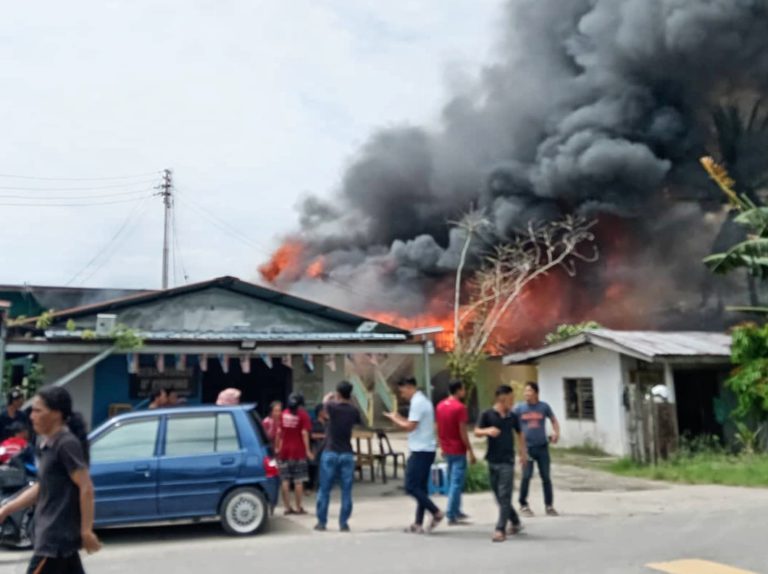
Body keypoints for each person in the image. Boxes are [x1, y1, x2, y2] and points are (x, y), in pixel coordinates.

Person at [0, 386, 101, 573]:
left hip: (54, 542)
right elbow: (41, 488)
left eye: (38, 410)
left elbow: (86, 487)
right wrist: (6, 509)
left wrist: (86, 530)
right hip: (58, 544)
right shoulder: (49, 444)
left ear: (56, 413)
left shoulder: (65, 444)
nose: (31, 416)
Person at [384, 377, 444, 534]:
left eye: (402, 391)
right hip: (425, 449)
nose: (401, 395)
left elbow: (410, 427)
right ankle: (418, 523)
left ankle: (436, 511)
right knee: (421, 488)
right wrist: (397, 417)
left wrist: (395, 420)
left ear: (409, 387)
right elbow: (413, 423)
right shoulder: (422, 401)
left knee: (411, 486)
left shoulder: (418, 402)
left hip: (420, 450)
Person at [475, 384, 527, 542]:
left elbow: (520, 433)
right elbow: (477, 431)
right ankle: (516, 521)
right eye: (510, 399)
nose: (512, 402)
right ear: (501, 398)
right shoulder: (487, 414)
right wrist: (487, 431)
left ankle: (500, 529)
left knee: (505, 495)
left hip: (507, 461)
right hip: (492, 459)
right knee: (498, 496)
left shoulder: (513, 416)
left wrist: (522, 453)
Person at [314, 382, 363, 532]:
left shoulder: (332, 407)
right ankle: (343, 523)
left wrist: (328, 397)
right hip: (347, 453)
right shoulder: (353, 411)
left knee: (324, 489)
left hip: (331, 452)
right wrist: (351, 401)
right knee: (346, 491)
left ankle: (322, 522)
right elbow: (359, 421)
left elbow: (323, 405)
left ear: (338, 393)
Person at [515, 381, 561, 517]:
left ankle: (549, 505)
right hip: (527, 448)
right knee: (526, 476)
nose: (526, 394)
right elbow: (510, 422)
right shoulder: (519, 408)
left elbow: (554, 420)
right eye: (525, 391)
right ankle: (523, 505)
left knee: (546, 477)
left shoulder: (544, 407)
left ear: (536, 393)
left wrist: (556, 433)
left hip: (542, 447)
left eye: (529, 391)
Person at [435, 380, 476, 525]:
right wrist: (470, 450)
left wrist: (440, 445)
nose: (464, 392)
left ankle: (457, 510)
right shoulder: (460, 408)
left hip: (446, 448)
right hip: (458, 448)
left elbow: (438, 427)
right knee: (456, 483)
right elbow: (463, 432)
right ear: (458, 391)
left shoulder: (440, 406)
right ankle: (451, 514)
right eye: (463, 389)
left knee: (453, 480)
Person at [276, 392, 313, 515]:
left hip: (284, 452)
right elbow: (304, 433)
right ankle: (298, 507)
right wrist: (308, 451)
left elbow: (279, 433)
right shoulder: (303, 415)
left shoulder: (283, 414)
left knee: (285, 480)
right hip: (298, 452)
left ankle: (287, 507)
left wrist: (277, 448)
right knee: (298, 481)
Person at [307, 403, 328, 492]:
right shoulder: (314, 422)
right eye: (324, 411)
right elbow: (312, 435)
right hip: (317, 447)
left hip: (326, 447)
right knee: (316, 467)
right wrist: (324, 436)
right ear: (320, 412)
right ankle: (313, 485)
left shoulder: (328, 423)